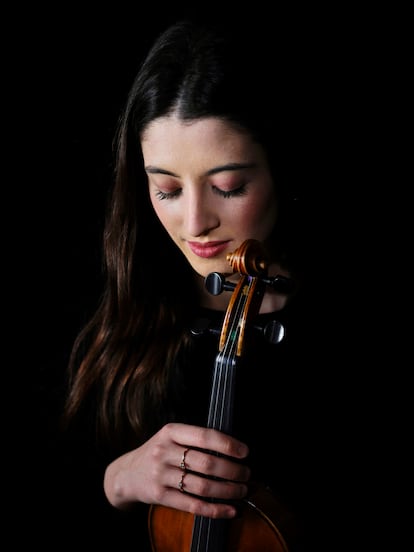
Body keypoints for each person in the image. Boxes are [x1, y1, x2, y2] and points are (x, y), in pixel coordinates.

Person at [31, 18, 336, 551]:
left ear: (281, 169)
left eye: (228, 186)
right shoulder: (118, 301)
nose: (195, 223)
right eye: (167, 189)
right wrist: (117, 480)